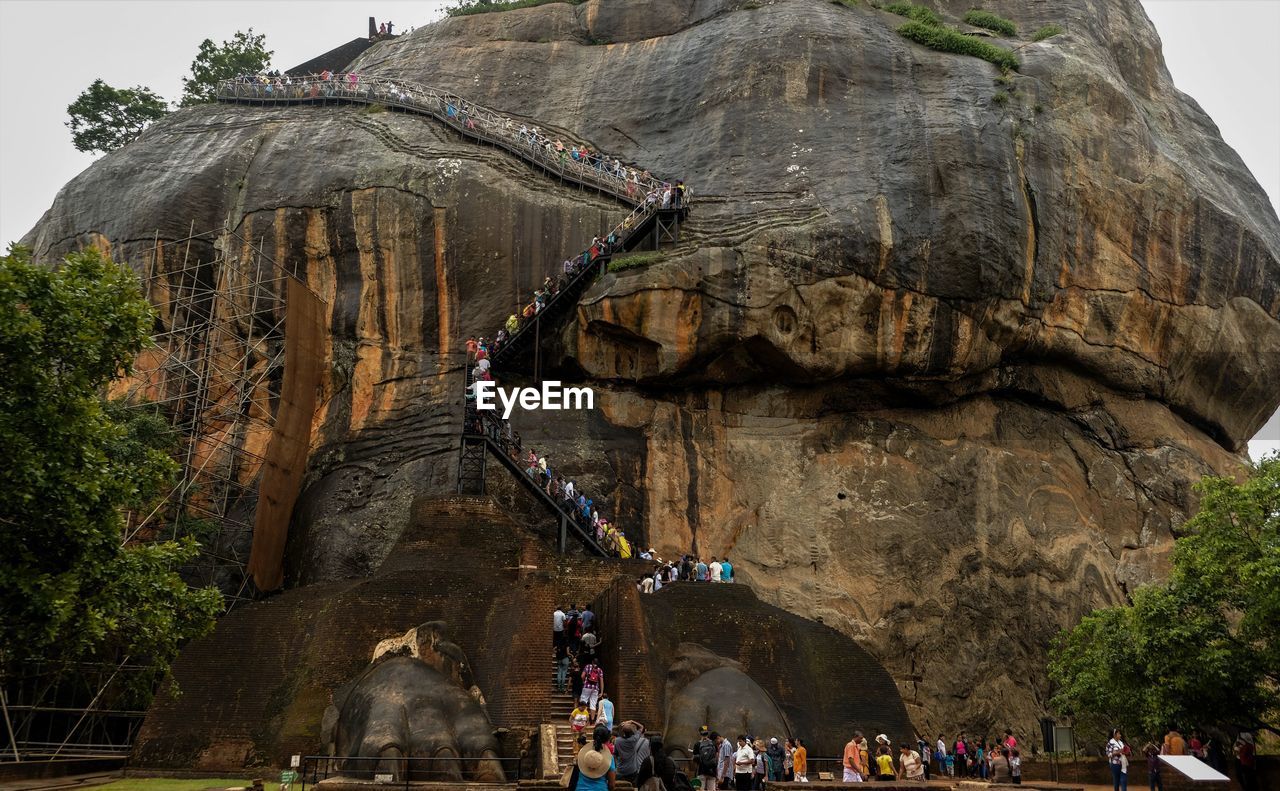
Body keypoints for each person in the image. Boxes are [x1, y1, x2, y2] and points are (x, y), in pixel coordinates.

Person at [577, 725, 617, 791]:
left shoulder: (582, 754)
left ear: (593, 737)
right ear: (607, 740)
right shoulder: (609, 758)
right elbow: (611, 785)